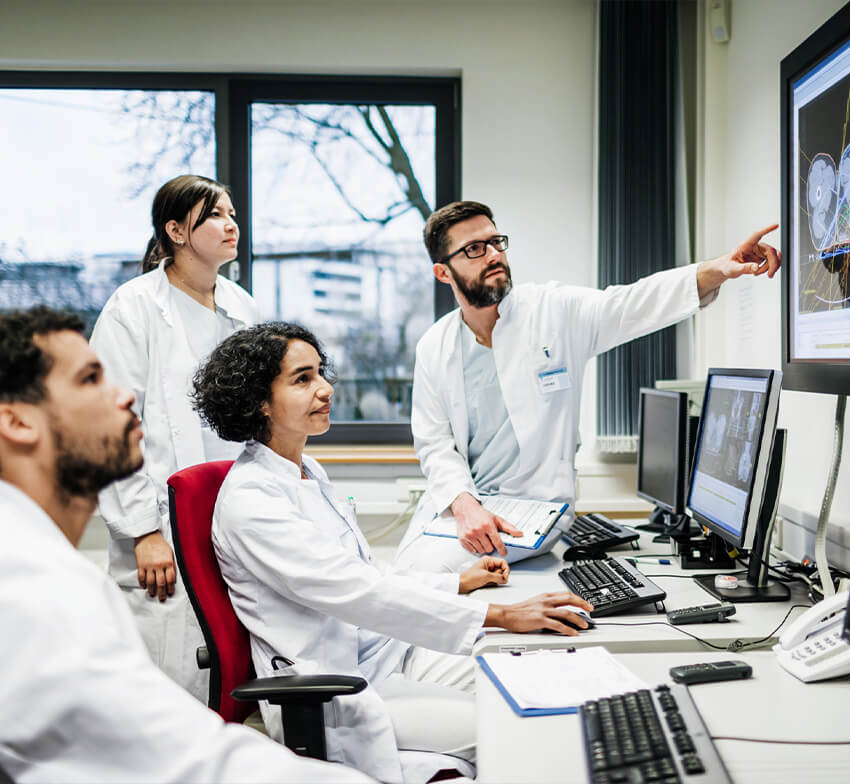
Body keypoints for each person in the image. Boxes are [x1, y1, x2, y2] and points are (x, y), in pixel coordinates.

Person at [191, 322, 593, 784]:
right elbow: (357, 591)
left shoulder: (306, 472)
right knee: (522, 727)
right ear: (259, 400)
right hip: (340, 692)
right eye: (302, 379)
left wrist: (458, 584)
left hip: (382, 653)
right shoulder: (252, 501)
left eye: (321, 373)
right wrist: (499, 614)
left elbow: (362, 572)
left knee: (537, 676)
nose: (324, 389)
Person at [0, 306, 371, 784]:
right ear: (17, 422)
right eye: (91, 379)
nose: (125, 396)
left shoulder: (41, 563)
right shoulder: (28, 583)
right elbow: (185, 760)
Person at [394, 201, 782, 572]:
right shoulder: (435, 346)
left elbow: (632, 304)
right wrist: (463, 504)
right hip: (464, 506)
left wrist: (719, 269)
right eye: (474, 249)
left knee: (424, 576)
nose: (494, 255)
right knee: (402, 572)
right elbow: (434, 442)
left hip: (532, 510)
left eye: (496, 242)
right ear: (443, 273)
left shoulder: (553, 311)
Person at [90, 174, 259, 701]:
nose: (231, 224)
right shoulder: (133, 307)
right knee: (171, 680)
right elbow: (110, 425)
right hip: (162, 525)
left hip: (234, 516)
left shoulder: (242, 307)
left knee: (234, 673)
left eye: (232, 213)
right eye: (215, 215)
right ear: (176, 231)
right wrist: (143, 532)